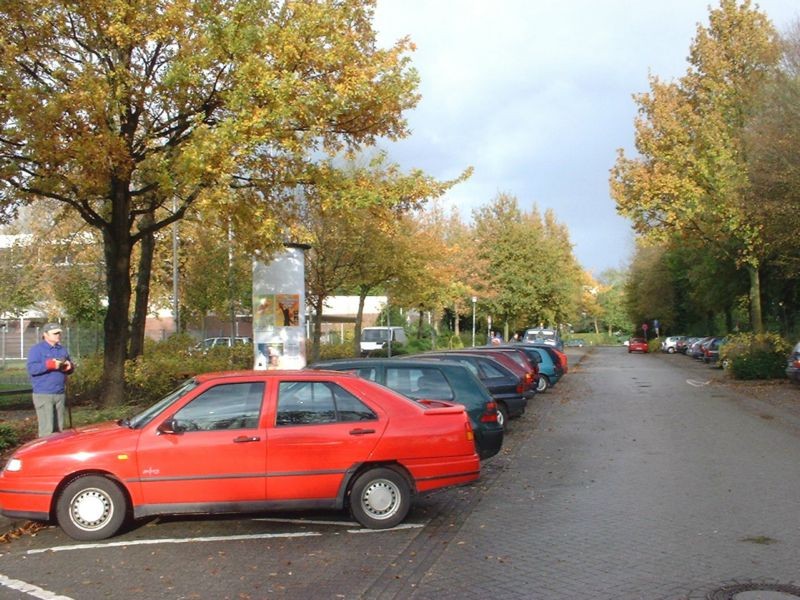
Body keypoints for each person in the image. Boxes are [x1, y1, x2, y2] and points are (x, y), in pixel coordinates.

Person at [26, 323, 74, 437]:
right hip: (43, 394)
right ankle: (43, 453)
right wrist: (49, 365)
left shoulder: (62, 349)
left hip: (59, 393)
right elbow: (32, 369)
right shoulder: (36, 350)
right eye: (55, 333)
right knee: (47, 431)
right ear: (45, 335)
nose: (58, 335)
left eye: (59, 333)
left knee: (59, 430)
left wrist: (69, 367)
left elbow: (69, 369)